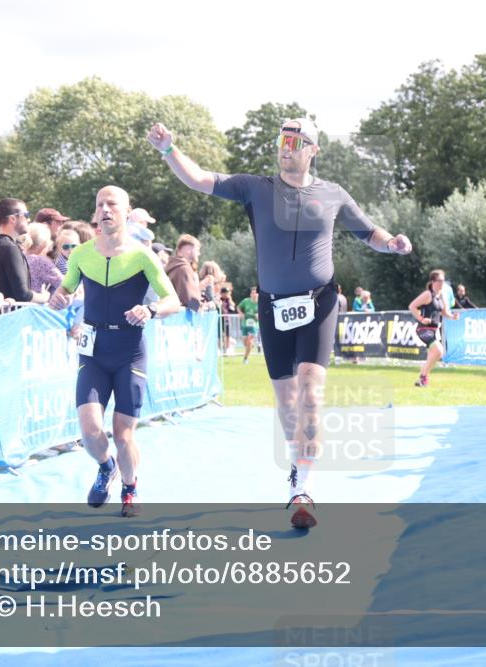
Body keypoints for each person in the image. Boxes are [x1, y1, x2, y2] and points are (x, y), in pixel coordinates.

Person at [148, 117, 412, 528]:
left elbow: (369, 232)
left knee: (310, 390)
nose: (285, 147)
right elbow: (199, 178)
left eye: (294, 140)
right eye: (281, 140)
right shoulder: (256, 187)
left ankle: (302, 488)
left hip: (319, 302)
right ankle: (297, 463)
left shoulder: (332, 194)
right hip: (273, 307)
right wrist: (168, 150)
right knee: (287, 401)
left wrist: (392, 243)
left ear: (312, 150)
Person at [48, 186, 180, 517]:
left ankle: (130, 488)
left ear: (125, 211)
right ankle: (106, 467)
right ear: (95, 214)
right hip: (92, 351)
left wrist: (149, 311)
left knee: (123, 435)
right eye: (99, 205)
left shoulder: (142, 255)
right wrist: (59, 296)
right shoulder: (80, 255)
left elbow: (173, 301)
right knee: (90, 432)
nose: (105, 209)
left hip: (129, 352)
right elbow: (66, 288)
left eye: (112, 204)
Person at [0, 199, 50, 304]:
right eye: (26, 215)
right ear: (12, 218)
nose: (29, 219)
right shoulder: (10, 248)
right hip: (10, 317)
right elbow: (23, 294)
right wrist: (44, 297)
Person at [409, 269, 459, 388]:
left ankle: (422, 379)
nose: (442, 283)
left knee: (434, 355)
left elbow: (445, 312)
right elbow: (412, 306)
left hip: (433, 330)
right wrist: (421, 319)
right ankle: (423, 376)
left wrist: (452, 316)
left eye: (443, 281)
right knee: (439, 351)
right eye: (439, 281)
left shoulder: (442, 295)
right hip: (423, 329)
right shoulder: (428, 294)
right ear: (433, 282)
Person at [165, 234, 209, 311]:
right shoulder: (184, 268)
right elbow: (190, 299)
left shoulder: (174, 266)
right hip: (179, 319)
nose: (199, 253)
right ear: (188, 250)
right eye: (197, 249)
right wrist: (201, 307)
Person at [21, 223, 64, 294]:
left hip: (15, 303)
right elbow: (65, 284)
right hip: (34, 303)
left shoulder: (18, 257)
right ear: (43, 244)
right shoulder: (40, 262)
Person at [237, 286, 260, 364]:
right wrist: (241, 314)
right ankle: (251, 346)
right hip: (244, 324)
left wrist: (259, 315)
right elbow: (238, 307)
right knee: (245, 342)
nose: (254, 295)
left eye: (255, 293)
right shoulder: (246, 301)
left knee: (249, 341)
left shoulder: (260, 303)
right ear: (250, 294)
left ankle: (245, 359)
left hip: (254, 325)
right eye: (252, 293)